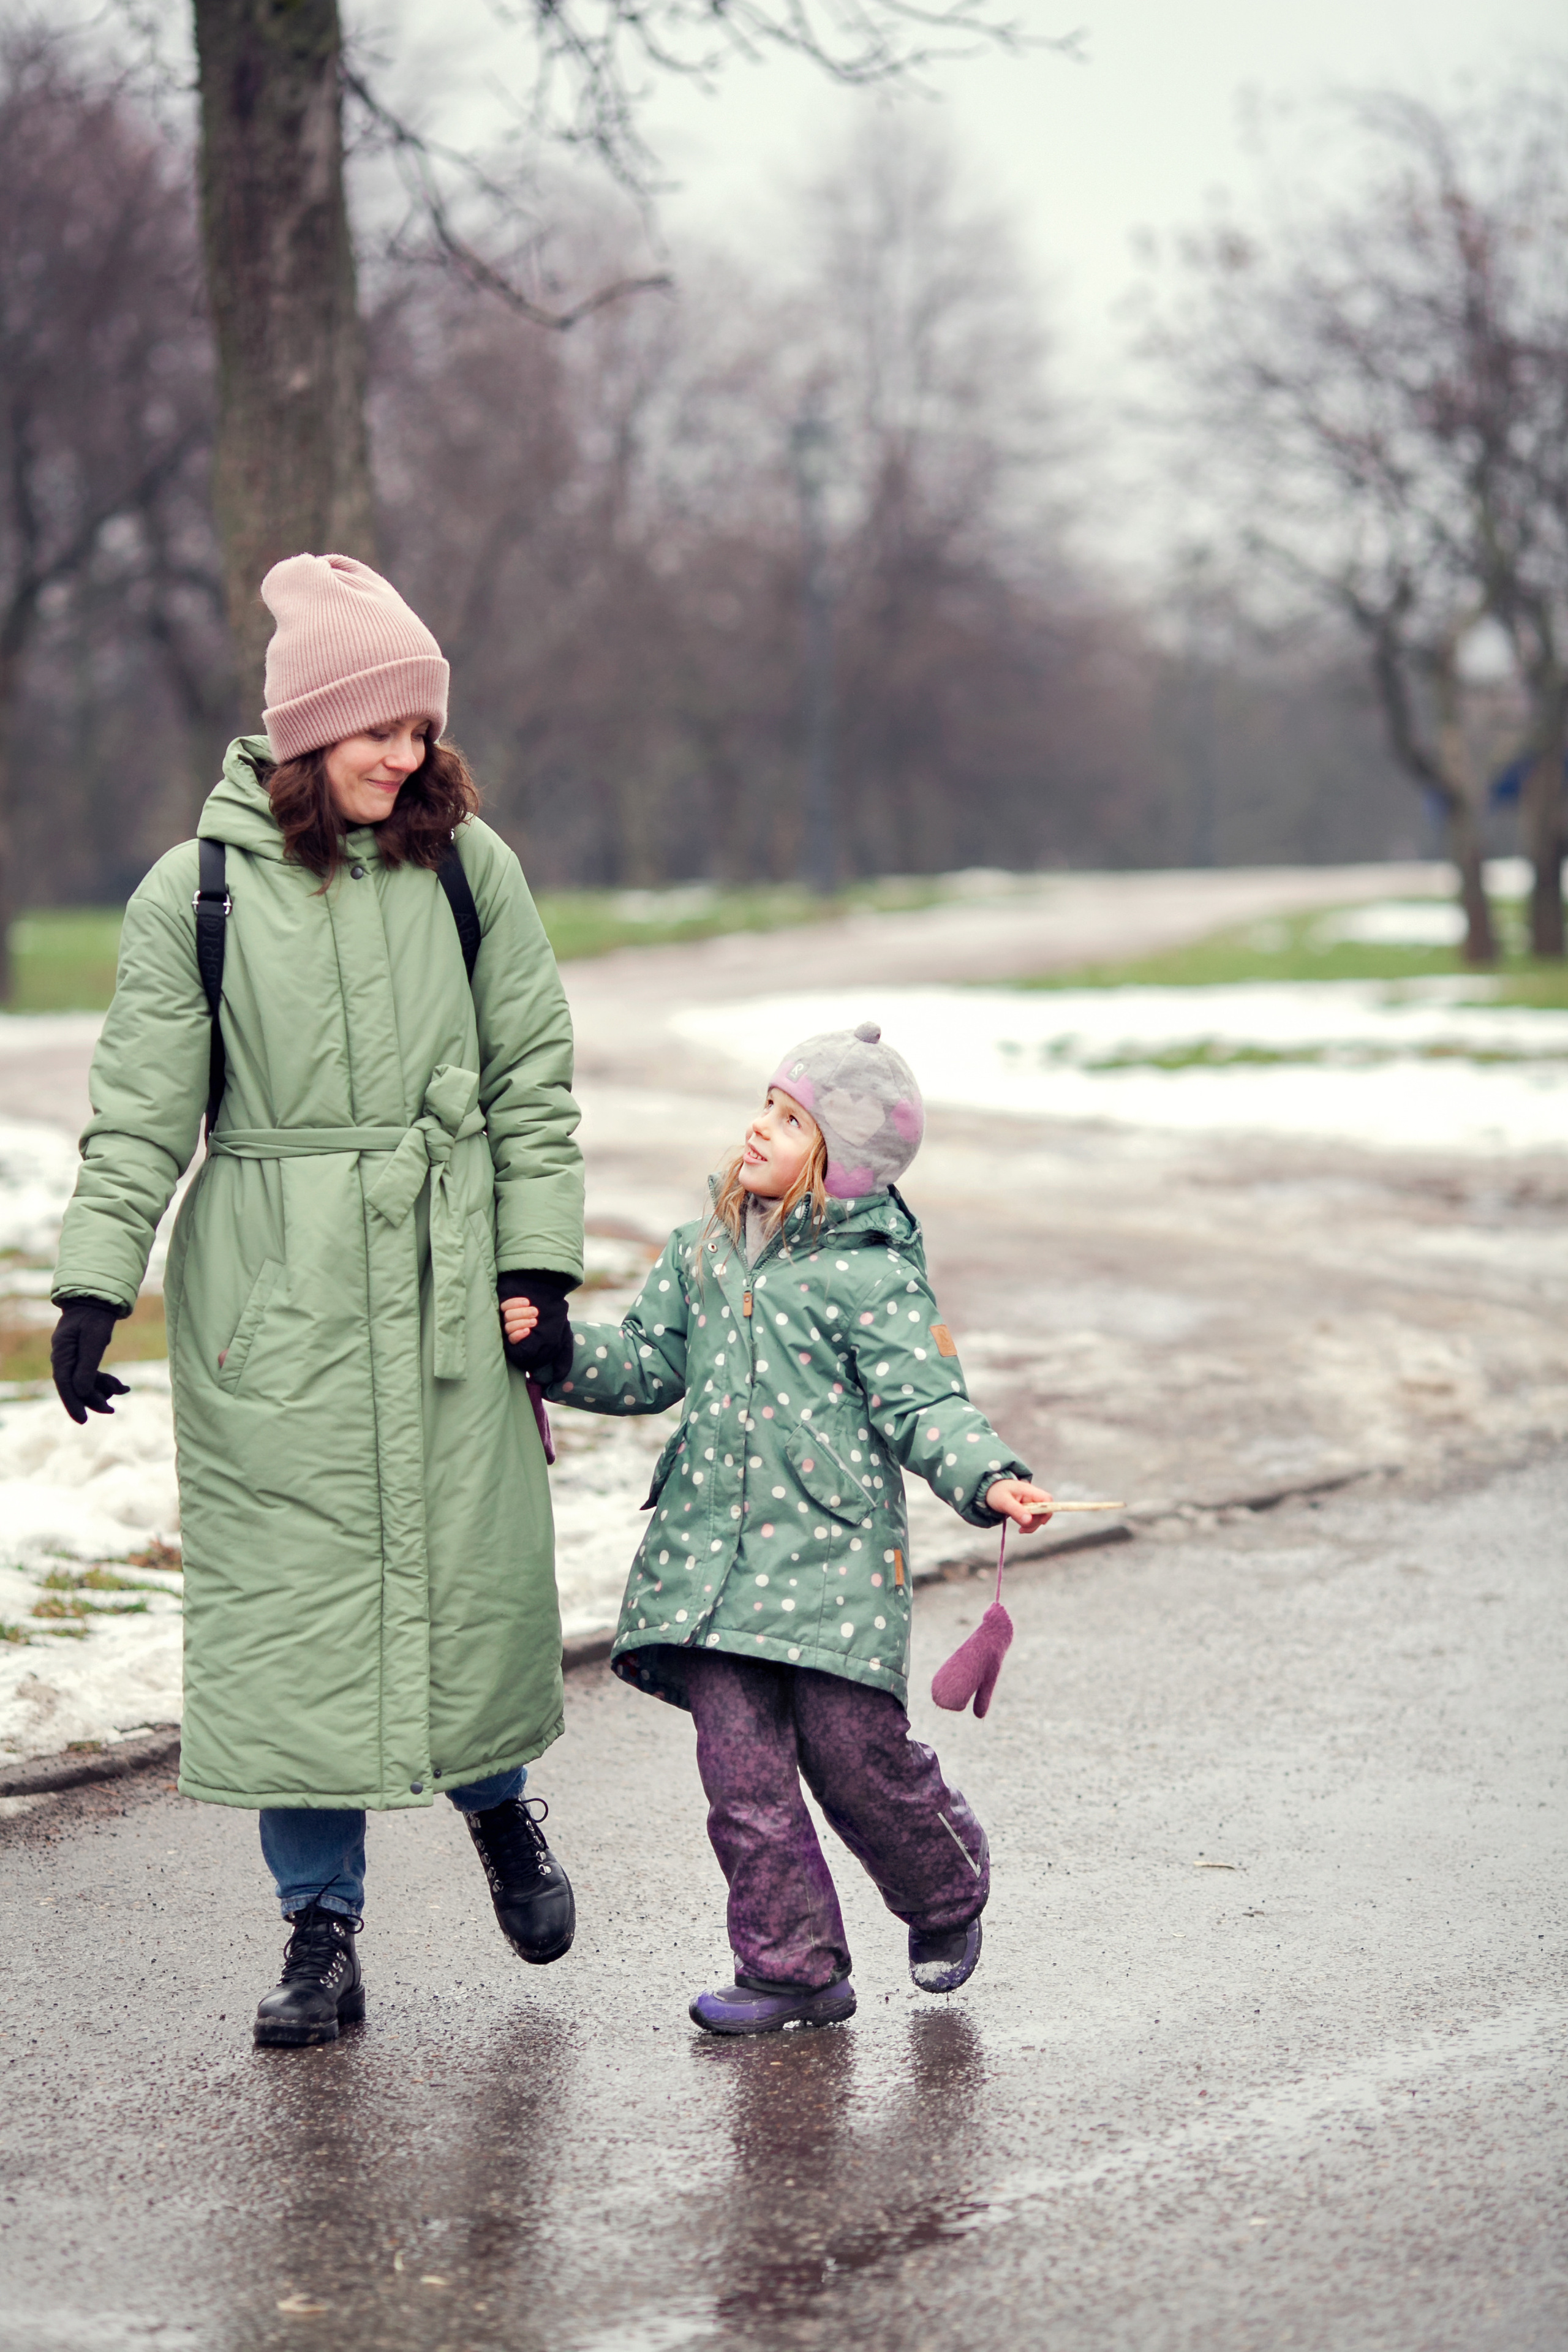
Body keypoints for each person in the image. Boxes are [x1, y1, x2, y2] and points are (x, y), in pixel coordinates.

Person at [49, 553, 585, 2049]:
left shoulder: (469, 868)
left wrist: (534, 1262)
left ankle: (498, 1814)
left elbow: (534, 1082)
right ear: (303, 730)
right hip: (272, 1301)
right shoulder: (197, 891)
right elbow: (146, 1107)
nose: (405, 755)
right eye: (378, 729)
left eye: (421, 728)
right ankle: (320, 1932)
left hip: (445, 1283)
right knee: (293, 1615)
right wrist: (97, 1278)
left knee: (465, 1578)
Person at [504, 1020, 1052, 2035]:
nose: (758, 1130)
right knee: (742, 1781)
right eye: (766, 1105)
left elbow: (924, 1406)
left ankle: (943, 1887)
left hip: (832, 1564)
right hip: (709, 1563)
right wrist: (565, 1353)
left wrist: (991, 1479)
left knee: (859, 1761)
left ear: (840, 1165)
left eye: (790, 1121)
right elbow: (649, 1364)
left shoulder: (874, 1275)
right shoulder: (705, 1250)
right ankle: (792, 1969)